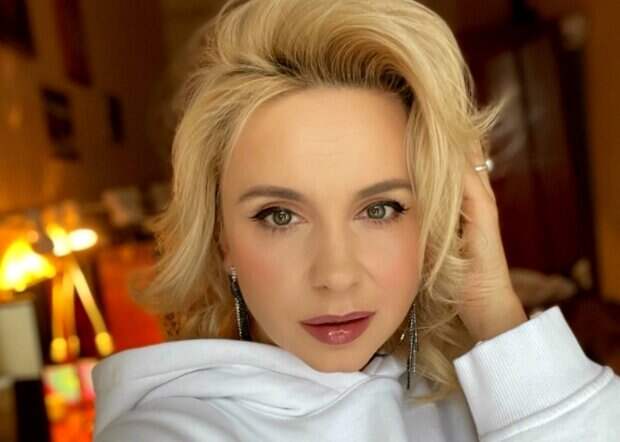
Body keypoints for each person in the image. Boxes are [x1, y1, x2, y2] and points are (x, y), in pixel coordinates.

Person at [92, 0, 620, 440]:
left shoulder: (486, 406)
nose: (337, 275)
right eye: (280, 215)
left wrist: (498, 315)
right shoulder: (170, 431)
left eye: (379, 209)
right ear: (220, 237)